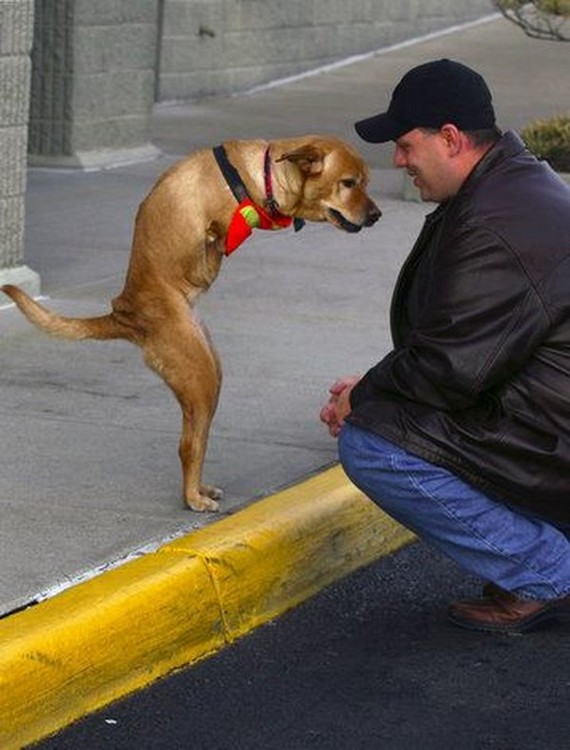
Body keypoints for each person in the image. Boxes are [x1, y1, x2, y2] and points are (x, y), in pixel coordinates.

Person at [320, 58, 570, 635]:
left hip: (557, 439)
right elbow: (460, 349)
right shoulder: (513, 186)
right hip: (552, 420)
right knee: (390, 412)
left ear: (451, 138)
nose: (399, 161)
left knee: (374, 445)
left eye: (407, 145)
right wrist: (377, 385)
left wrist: (365, 395)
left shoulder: (494, 222)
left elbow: (449, 370)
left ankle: (549, 574)